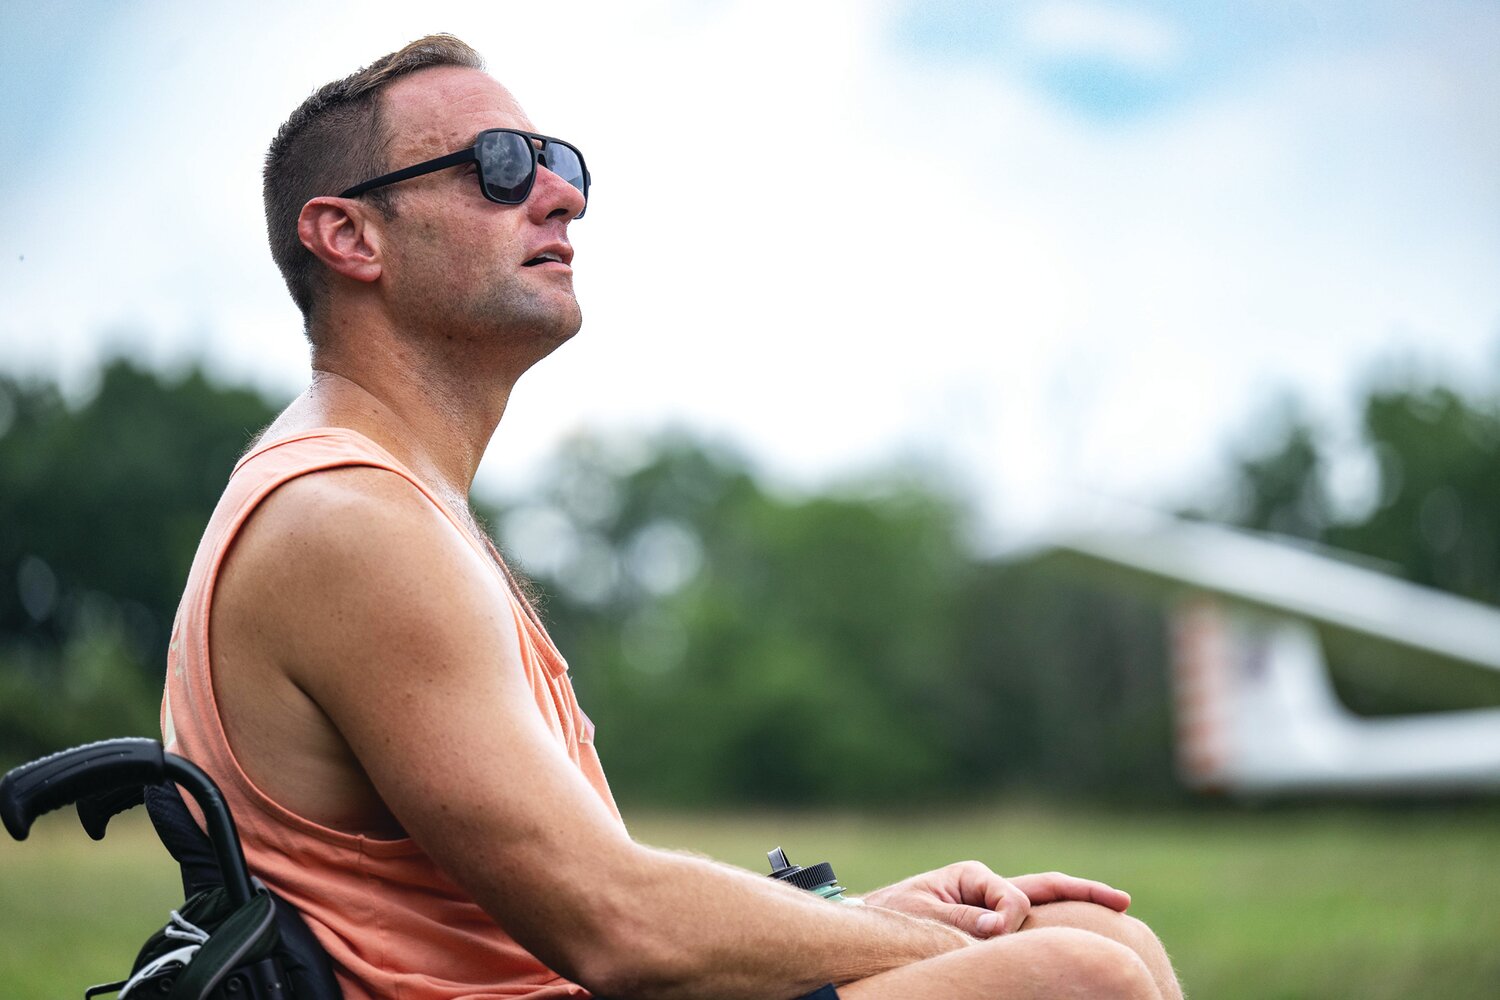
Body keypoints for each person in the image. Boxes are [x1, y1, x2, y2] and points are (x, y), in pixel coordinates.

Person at [162, 33, 1184, 1000]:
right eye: (500, 165)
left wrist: (860, 914)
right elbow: (616, 927)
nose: (561, 196)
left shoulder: (380, 499)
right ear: (350, 235)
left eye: (559, 161)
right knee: (1076, 979)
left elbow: (598, 894)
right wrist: (928, 939)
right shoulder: (346, 520)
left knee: (1101, 940)